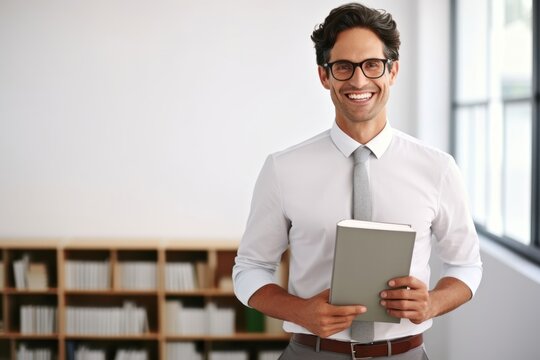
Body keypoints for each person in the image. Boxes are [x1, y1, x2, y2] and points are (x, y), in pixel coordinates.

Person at [233, 3, 482, 359]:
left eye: (372, 65)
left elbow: (467, 264)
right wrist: (298, 311)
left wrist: (432, 303)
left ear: (392, 71)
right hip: (311, 352)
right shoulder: (283, 169)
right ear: (325, 76)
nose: (359, 80)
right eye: (343, 67)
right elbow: (250, 269)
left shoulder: (437, 168)